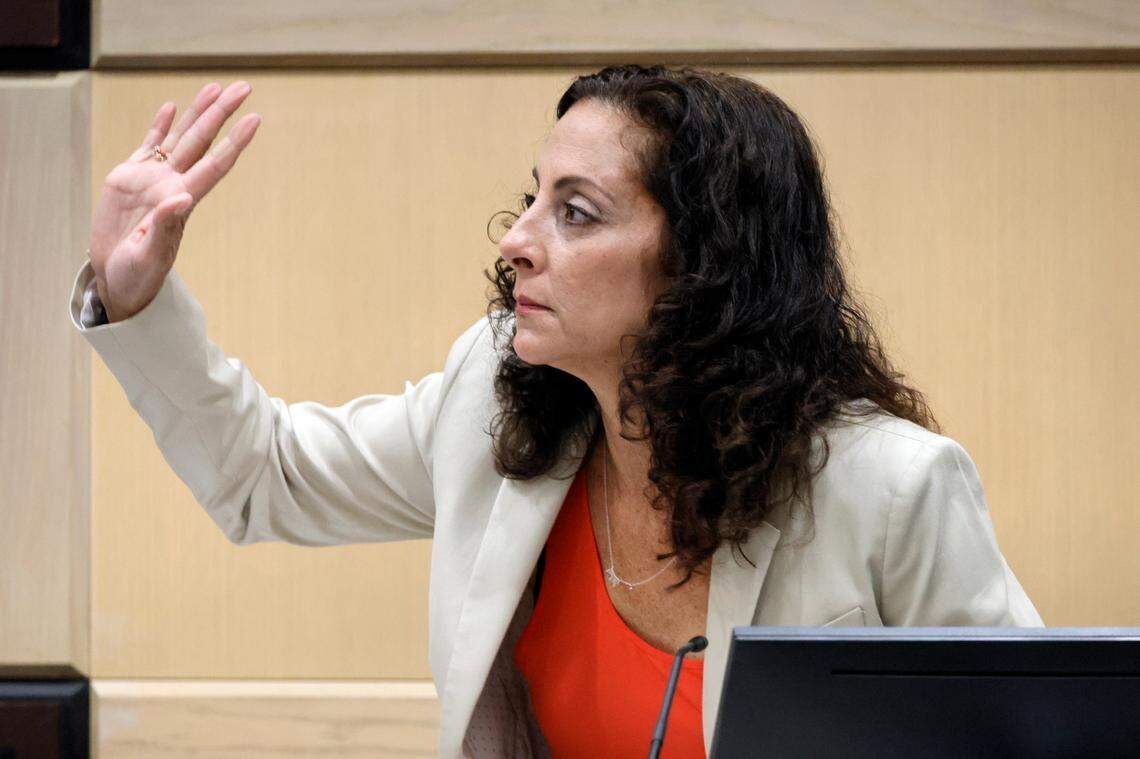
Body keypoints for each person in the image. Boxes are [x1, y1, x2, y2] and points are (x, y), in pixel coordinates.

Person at [69, 64, 1043, 758]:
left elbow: (1033, 737)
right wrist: (136, 297)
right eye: (532, 200)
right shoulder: (487, 405)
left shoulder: (891, 484)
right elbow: (263, 478)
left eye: (576, 212)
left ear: (705, 262)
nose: (517, 244)